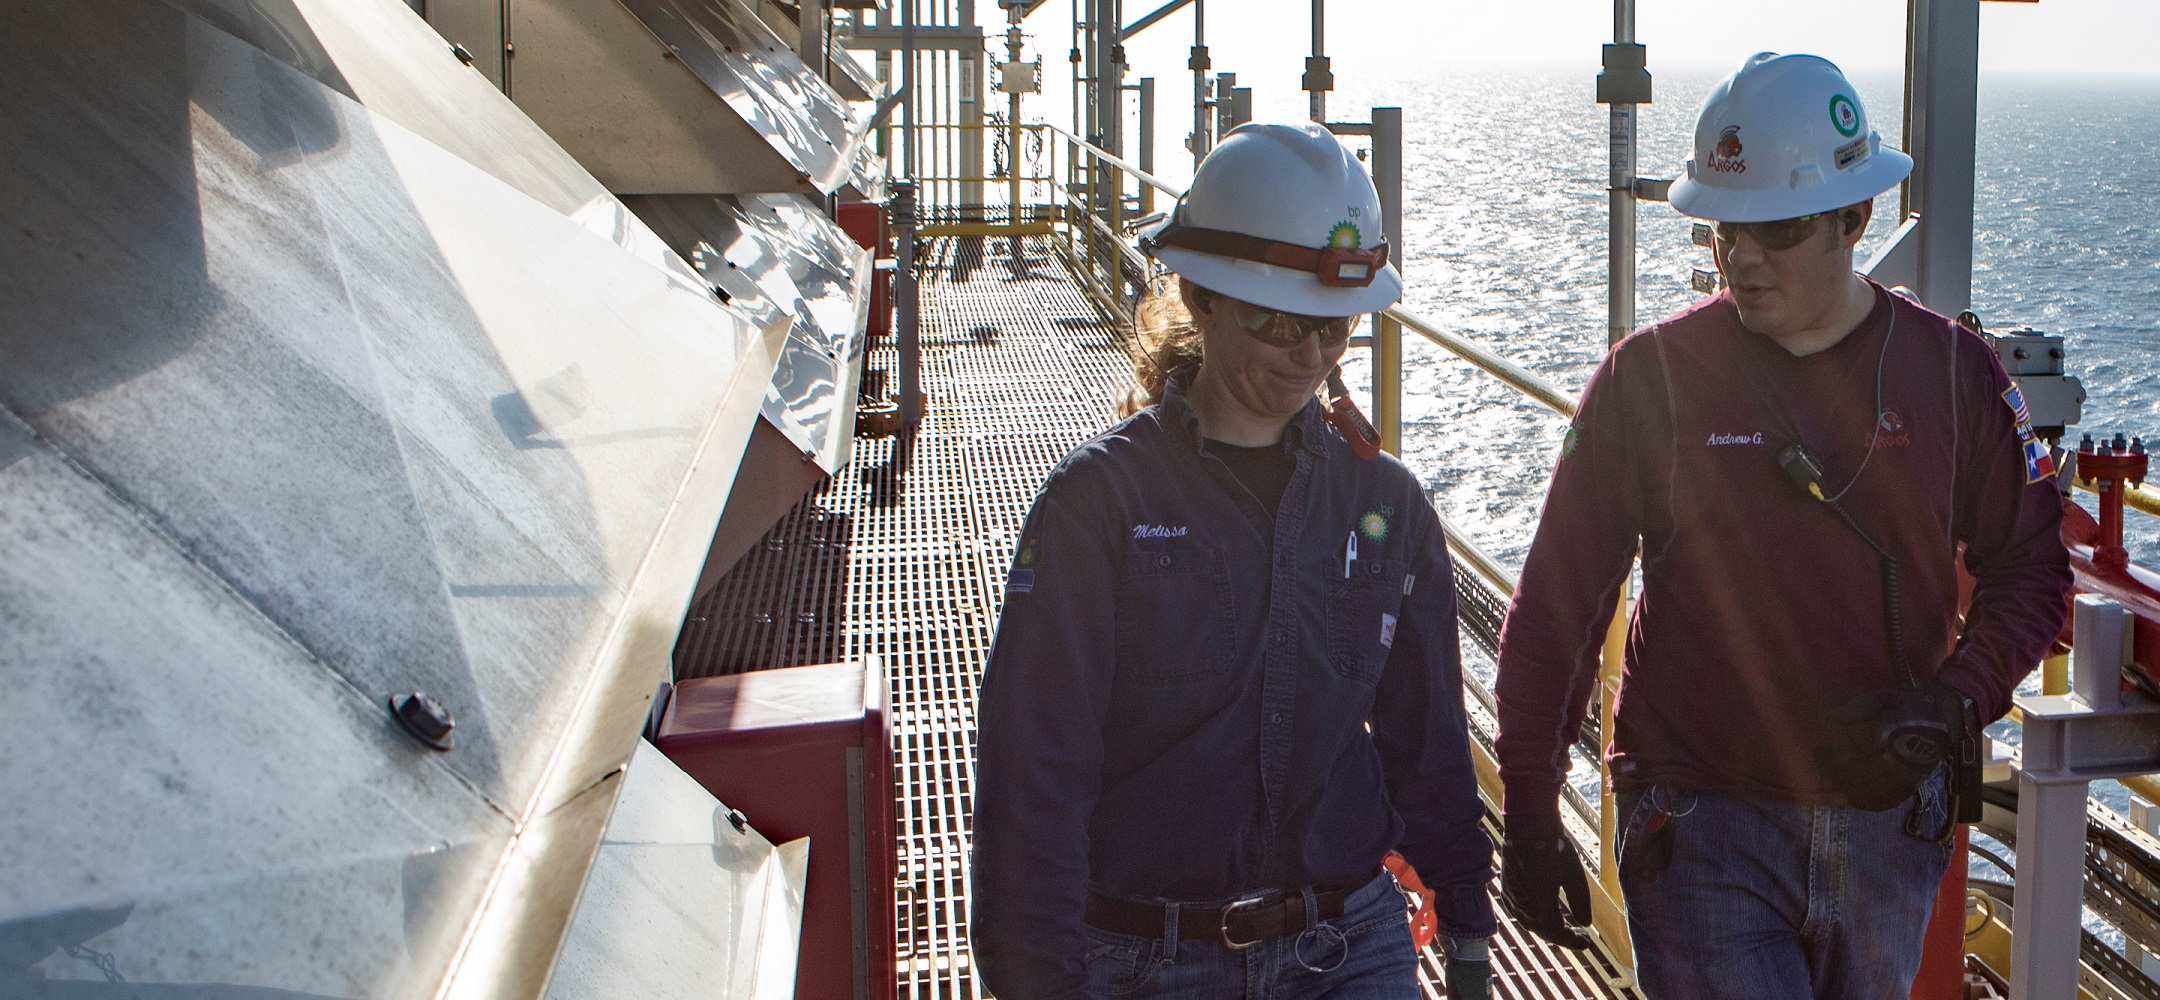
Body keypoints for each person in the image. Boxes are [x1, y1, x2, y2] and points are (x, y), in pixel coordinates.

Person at [1493, 53, 2072, 998]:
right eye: (1726, 231)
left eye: (1778, 229)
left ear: (1856, 219)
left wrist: (1956, 699)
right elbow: (1560, 597)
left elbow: (2034, 570)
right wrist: (1527, 801)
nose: (1742, 259)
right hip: (1701, 815)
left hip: (1887, 829)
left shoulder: (1957, 380)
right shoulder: (1650, 380)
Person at [970, 123, 1496, 999]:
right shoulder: (1097, 508)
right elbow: (1033, 776)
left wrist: (1471, 926)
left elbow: (1427, 737)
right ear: (1200, 297)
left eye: (1336, 327)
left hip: (1348, 943)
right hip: (1145, 960)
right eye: (1277, 322)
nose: (1311, 355)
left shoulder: (1387, 507)